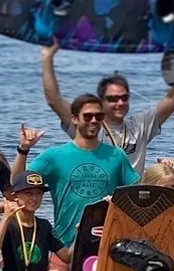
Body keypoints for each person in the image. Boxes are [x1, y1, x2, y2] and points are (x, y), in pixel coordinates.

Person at [14, 94, 138, 248]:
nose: (93, 120)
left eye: (98, 116)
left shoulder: (117, 155)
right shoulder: (55, 156)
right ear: (74, 119)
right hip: (63, 244)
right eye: (87, 116)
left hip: (106, 244)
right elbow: (17, 182)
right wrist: (23, 149)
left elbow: (136, 196)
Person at [43, 44, 174, 173]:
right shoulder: (88, 125)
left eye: (124, 98)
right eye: (113, 99)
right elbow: (54, 100)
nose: (120, 103)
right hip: (100, 199)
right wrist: (47, 58)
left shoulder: (141, 125)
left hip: (131, 200)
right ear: (101, 102)